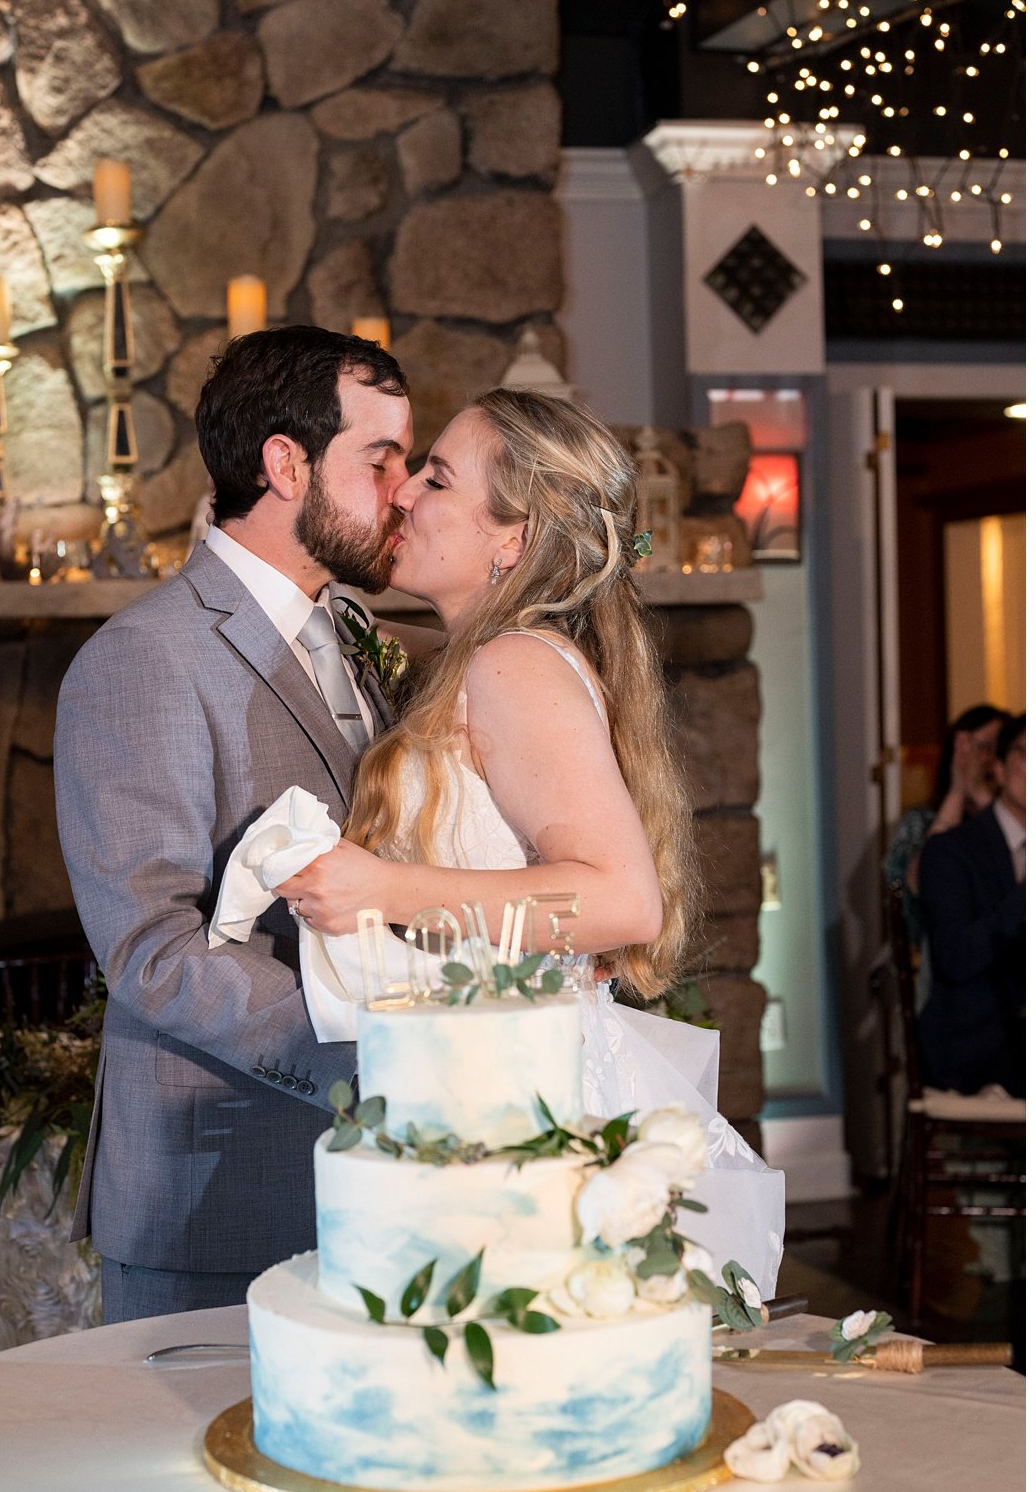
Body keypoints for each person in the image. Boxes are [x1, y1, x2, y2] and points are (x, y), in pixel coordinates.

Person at [279, 387, 785, 1293]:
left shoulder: (514, 666)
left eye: (435, 478)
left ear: (512, 538)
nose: (401, 495)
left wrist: (383, 891)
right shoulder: (490, 657)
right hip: (487, 1077)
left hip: (533, 1106)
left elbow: (622, 898)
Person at [54, 326, 414, 1322]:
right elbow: (151, 948)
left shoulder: (356, 635)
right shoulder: (146, 660)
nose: (403, 492)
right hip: (215, 1198)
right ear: (285, 464)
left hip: (367, 1200)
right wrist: (378, 1059)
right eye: (379, 462)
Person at [918, 713, 1025, 1097]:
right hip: (978, 1046)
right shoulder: (952, 852)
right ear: (998, 765)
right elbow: (955, 957)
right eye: (1027, 755)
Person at [884, 703, 1009, 951]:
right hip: (943, 956)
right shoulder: (921, 822)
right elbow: (919, 889)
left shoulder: (1020, 820)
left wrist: (982, 799)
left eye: (999, 749)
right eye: (983, 748)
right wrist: (958, 791)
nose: (989, 760)